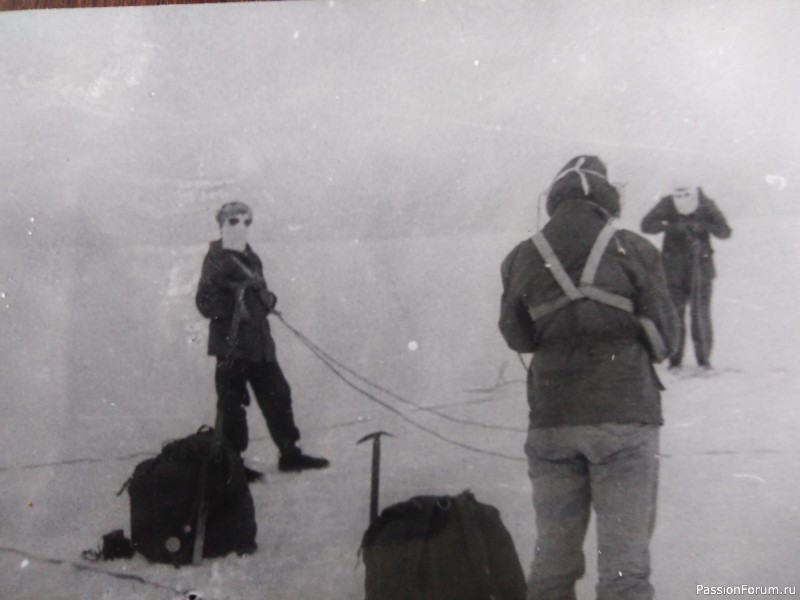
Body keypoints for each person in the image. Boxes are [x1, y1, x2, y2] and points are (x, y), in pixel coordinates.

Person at [498, 156, 680, 600]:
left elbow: (517, 336)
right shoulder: (633, 248)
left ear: (554, 200)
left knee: (554, 561)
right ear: (606, 199)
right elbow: (667, 340)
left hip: (553, 420)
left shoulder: (523, 255)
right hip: (624, 418)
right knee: (624, 571)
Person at [195, 201, 329, 476]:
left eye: (246, 221)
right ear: (222, 224)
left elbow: (262, 297)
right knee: (232, 405)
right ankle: (234, 465)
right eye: (233, 221)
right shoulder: (216, 259)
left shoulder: (251, 258)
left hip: (260, 345)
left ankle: (289, 452)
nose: (240, 227)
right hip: (232, 345)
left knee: (278, 394)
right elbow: (204, 303)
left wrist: (267, 299)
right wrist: (234, 298)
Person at [641, 185, 732, 370]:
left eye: (686, 193)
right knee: (674, 316)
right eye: (678, 194)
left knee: (701, 316)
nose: (682, 197)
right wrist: (670, 227)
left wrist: (703, 226)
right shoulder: (666, 203)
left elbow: (725, 231)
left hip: (701, 269)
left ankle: (704, 361)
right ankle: (675, 361)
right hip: (672, 271)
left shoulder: (706, 204)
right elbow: (646, 225)